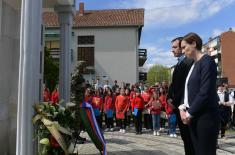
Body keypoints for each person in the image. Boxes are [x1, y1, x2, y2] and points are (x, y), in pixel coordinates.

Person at [179, 32, 219, 155]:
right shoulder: (194, 64)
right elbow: (187, 89)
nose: (182, 51)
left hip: (205, 117)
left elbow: (205, 91)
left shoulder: (207, 61)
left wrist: (189, 113)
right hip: (195, 117)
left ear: (194, 44)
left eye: (184, 47)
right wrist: (182, 107)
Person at [167, 37, 195, 155]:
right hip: (178, 106)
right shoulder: (179, 63)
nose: (172, 50)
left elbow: (186, 85)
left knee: (190, 139)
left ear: (182, 48)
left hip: (185, 107)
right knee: (185, 138)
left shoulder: (189, 62)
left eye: (174, 47)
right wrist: (168, 97)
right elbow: (173, 84)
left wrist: (175, 101)